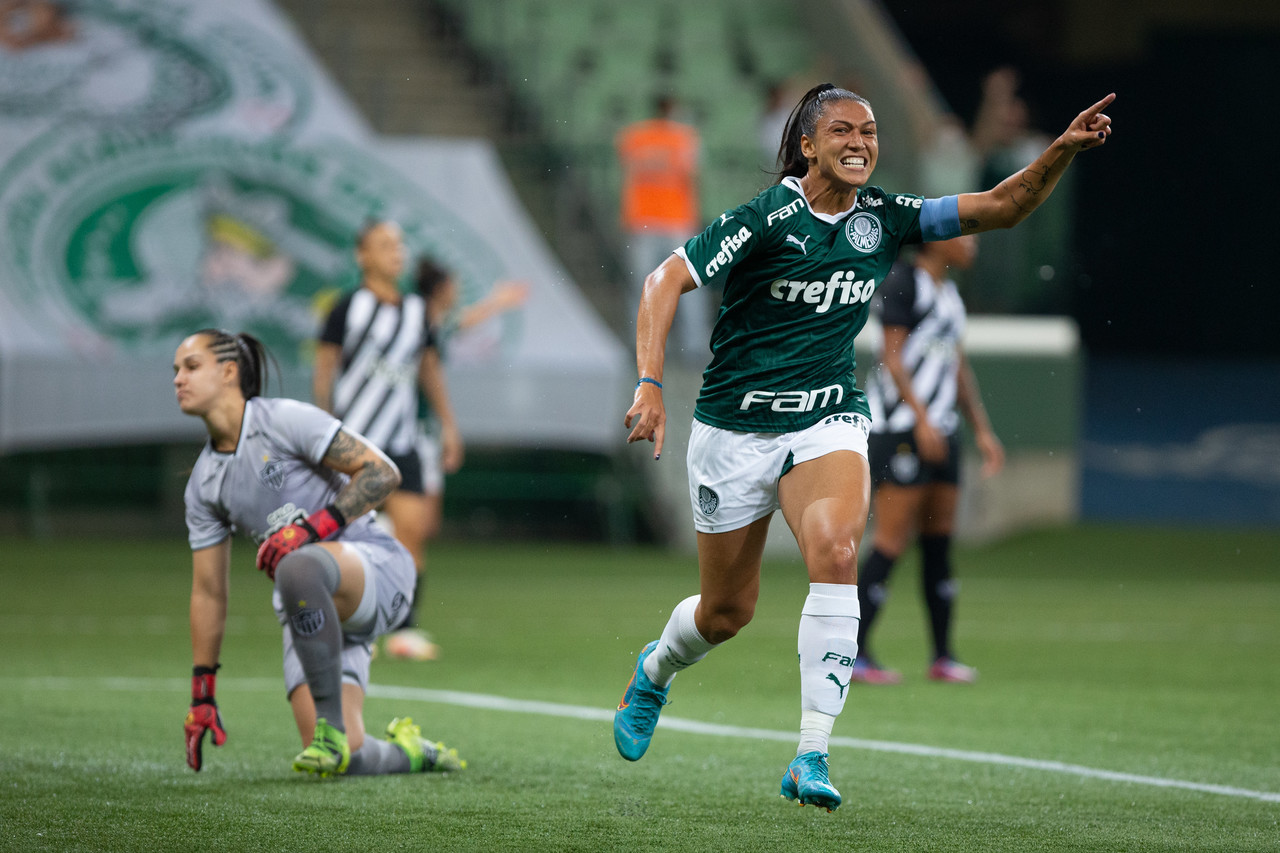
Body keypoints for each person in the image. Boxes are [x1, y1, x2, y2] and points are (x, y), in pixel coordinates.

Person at [614, 82, 1113, 811]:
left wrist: (1060, 151)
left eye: (871, 132)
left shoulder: (887, 216)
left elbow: (1001, 208)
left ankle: (811, 751)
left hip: (829, 417)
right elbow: (663, 281)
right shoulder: (763, 219)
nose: (860, 142)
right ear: (808, 145)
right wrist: (650, 383)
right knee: (727, 611)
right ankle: (655, 671)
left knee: (838, 550)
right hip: (734, 426)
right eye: (843, 130)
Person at [175, 328, 465, 777]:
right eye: (176, 370)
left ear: (229, 371)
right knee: (345, 759)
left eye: (191, 366)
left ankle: (329, 726)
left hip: (374, 569)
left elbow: (381, 472)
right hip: (308, 608)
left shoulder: (283, 420)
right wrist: (202, 694)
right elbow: (209, 594)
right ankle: (410, 753)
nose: (179, 378)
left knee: (297, 564)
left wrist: (309, 530)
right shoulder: (203, 485)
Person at [852, 235, 1004, 686]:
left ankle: (942, 656)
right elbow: (892, 359)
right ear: (936, 242)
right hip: (901, 429)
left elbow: (957, 366)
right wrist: (919, 420)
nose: (973, 243)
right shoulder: (904, 282)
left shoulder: (951, 295)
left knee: (939, 543)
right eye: (965, 234)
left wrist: (980, 428)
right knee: (892, 540)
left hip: (942, 430)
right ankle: (853, 654)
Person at [312, 220, 462, 662]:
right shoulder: (346, 308)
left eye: (399, 245)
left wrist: (449, 425)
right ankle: (350, 623)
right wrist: (322, 428)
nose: (396, 252)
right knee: (348, 536)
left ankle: (404, 628)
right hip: (354, 445)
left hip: (402, 442)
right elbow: (325, 368)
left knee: (412, 534)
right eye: (385, 245)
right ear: (363, 256)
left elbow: (429, 370)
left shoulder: (417, 311)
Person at [379, 258, 529, 659]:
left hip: (420, 437)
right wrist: (449, 427)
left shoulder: (427, 323)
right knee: (411, 528)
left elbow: (461, 322)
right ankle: (398, 625)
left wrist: (497, 302)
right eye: (455, 283)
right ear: (441, 287)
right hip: (405, 438)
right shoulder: (414, 323)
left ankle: (393, 615)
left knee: (418, 527)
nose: (458, 289)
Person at [615, 94, 708, 365]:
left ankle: (640, 346)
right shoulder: (685, 138)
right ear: (673, 110)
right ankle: (694, 346)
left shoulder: (633, 137)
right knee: (690, 283)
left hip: (642, 221)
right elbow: (693, 178)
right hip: (677, 220)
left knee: (642, 286)